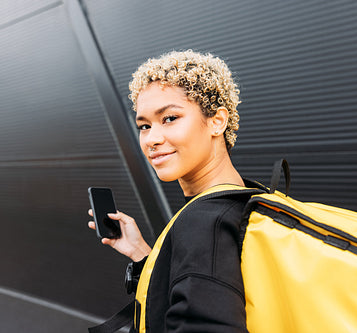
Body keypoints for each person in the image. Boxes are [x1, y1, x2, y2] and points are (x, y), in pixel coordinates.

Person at [88, 50, 265, 332]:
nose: (152, 139)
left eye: (169, 118)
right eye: (144, 125)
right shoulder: (250, 198)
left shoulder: (204, 224)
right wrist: (144, 255)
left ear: (217, 121)